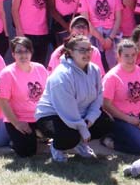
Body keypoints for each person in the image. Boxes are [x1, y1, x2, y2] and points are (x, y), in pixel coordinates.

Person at [35, 35, 113, 163]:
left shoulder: (95, 70)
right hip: (53, 115)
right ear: (70, 52)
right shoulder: (62, 76)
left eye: (89, 49)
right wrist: (83, 128)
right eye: (82, 50)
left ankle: (79, 143)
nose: (87, 53)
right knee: (70, 136)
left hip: (80, 114)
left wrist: (90, 118)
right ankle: (57, 147)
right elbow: (67, 109)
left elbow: (99, 96)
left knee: (106, 122)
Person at [0, 37, 48, 157]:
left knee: (59, 133)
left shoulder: (40, 68)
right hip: (18, 118)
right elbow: (2, 102)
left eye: (26, 51)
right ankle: (20, 138)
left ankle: (39, 134)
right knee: (27, 152)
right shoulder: (7, 74)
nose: (23, 55)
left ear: (31, 52)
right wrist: (17, 123)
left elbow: (48, 95)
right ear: (13, 54)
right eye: (19, 51)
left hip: (39, 116)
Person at [78, 0, 122, 70]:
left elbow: (118, 18)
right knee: (94, 68)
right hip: (93, 36)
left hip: (112, 36)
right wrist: (102, 39)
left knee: (113, 68)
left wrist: (110, 39)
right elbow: (85, 21)